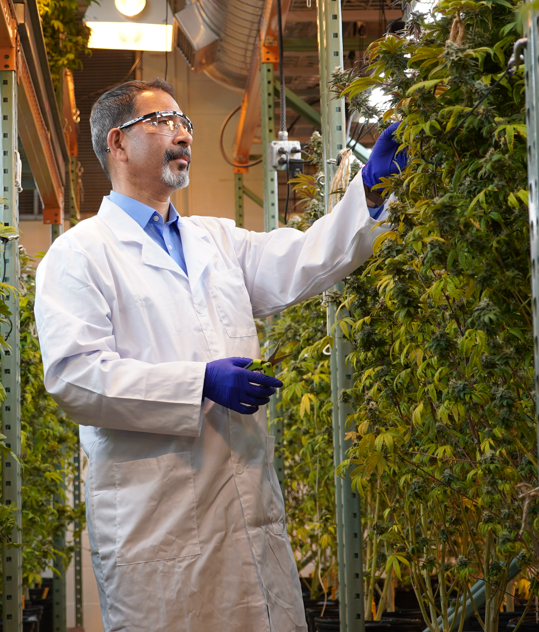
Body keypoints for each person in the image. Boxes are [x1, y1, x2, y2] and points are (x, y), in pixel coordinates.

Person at [34, 78, 401, 632]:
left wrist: (369, 194)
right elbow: (75, 377)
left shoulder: (218, 240)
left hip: (245, 510)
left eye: (185, 121)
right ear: (116, 142)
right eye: (161, 121)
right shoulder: (80, 254)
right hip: (156, 520)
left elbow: (304, 259)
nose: (182, 132)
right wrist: (198, 384)